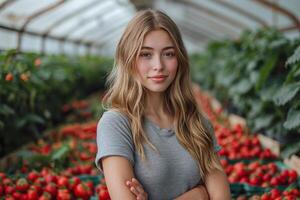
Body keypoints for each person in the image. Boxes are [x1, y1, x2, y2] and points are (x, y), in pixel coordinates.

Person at [95, 9, 231, 200]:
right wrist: (199, 195)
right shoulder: (116, 124)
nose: (158, 65)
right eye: (146, 54)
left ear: (179, 59)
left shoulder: (196, 122)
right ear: (128, 59)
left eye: (168, 54)